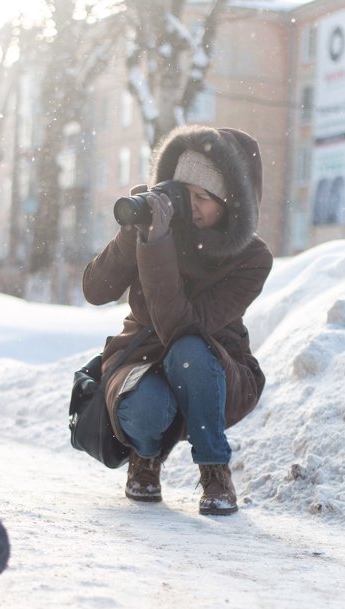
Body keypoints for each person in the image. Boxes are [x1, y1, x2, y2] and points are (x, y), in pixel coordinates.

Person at [82, 124, 273, 515]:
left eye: (204, 196)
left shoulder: (252, 258)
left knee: (187, 350)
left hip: (215, 367)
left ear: (231, 203)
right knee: (145, 406)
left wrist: (156, 245)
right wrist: (132, 235)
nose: (192, 206)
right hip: (141, 361)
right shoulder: (156, 225)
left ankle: (215, 471)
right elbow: (95, 291)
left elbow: (181, 327)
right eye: (185, 193)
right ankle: (145, 457)